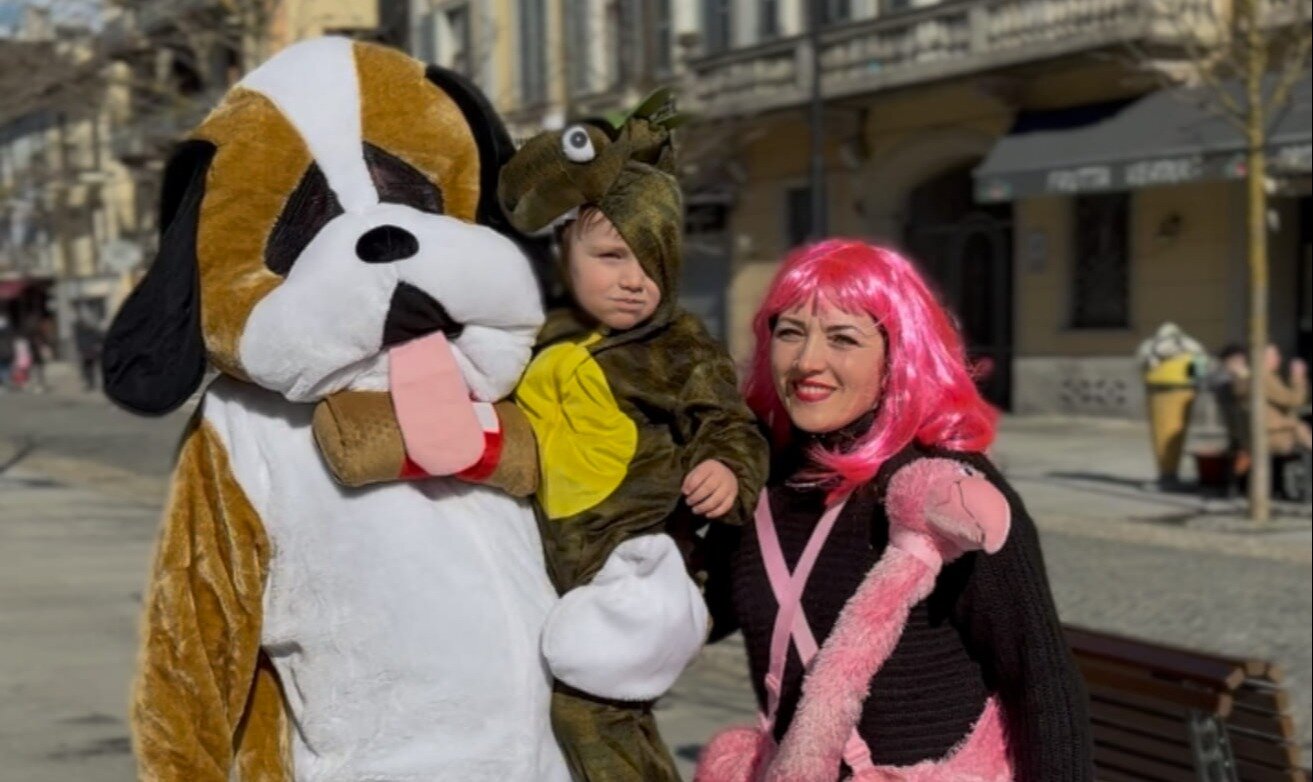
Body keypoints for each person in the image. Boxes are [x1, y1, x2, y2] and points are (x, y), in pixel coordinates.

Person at [310, 91, 769, 781]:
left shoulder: (677, 347)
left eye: (654, 263)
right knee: (542, 704)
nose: (633, 281)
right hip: (549, 558)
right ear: (564, 252)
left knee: (592, 709)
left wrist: (726, 470)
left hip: (637, 560)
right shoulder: (540, 330)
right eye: (611, 256)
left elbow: (729, 423)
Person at [697, 240, 1092, 781]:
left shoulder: (947, 492)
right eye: (790, 332)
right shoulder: (763, 475)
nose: (808, 361)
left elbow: (1039, 677)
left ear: (897, 356)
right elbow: (698, 611)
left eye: (843, 338)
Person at [1136, 322, 1207, 490]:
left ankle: (1167, 475)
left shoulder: (1150, 347)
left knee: (1164, 435)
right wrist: (1197, 384)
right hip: (1185, 392)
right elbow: (1199, 370)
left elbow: (1142, 366)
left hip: (1158, 392)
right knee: (1175, 434)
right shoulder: (1192, 347)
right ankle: (1169, 474)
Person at [73, 312, 104, 392]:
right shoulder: (87, 331)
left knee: (89, 369)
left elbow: (100, 338)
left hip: (89, 352)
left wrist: (98, 345)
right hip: (88, 352)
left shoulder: (87, 332)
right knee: (89, 369)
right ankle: (91, 384)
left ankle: (91, 384)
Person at [0, 313, 15, 390]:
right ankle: (6, 383)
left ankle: (4, 383)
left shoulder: (6, 337)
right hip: (6, 353)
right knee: (5, 368)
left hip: (4, 354)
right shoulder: (8, 336)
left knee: (3, 368)